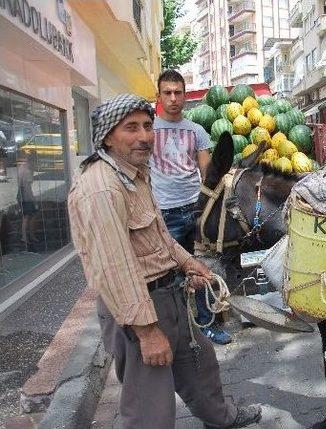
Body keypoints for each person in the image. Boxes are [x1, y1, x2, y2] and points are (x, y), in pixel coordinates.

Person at [68, 94, 261, 429]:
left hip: (169, 297)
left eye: (147, 126)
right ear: (108, 136)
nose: (144, 136)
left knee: (201, 369)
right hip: (138, 310)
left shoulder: (135, 174)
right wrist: (146, 333)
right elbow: (114, 270)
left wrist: (188, 263)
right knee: (150, 409)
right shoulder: (102, 188)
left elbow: (159, 236)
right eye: (131, 128)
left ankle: (223, 418)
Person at [151, 69, 231, 345]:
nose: (173, 98)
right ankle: (177, 329)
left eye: (178, 92)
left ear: (185, 95)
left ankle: (208, 326)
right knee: (169, 276)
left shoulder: (196, 131)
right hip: (165, 213)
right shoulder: (149, 130)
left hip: (195, 210)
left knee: (200, 269)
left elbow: (207, 171)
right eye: (167, 93)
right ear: (158, 96)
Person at [17, 152, 39, 248]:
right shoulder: (27, 171)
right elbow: (28, 189)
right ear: (32, 161)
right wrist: (34, 201)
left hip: (21, 195)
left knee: (29, 215)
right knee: (28, 216)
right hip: (26, 196)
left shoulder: (22, 167)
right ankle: (26, 237)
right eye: (35, 162)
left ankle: (28, 236)